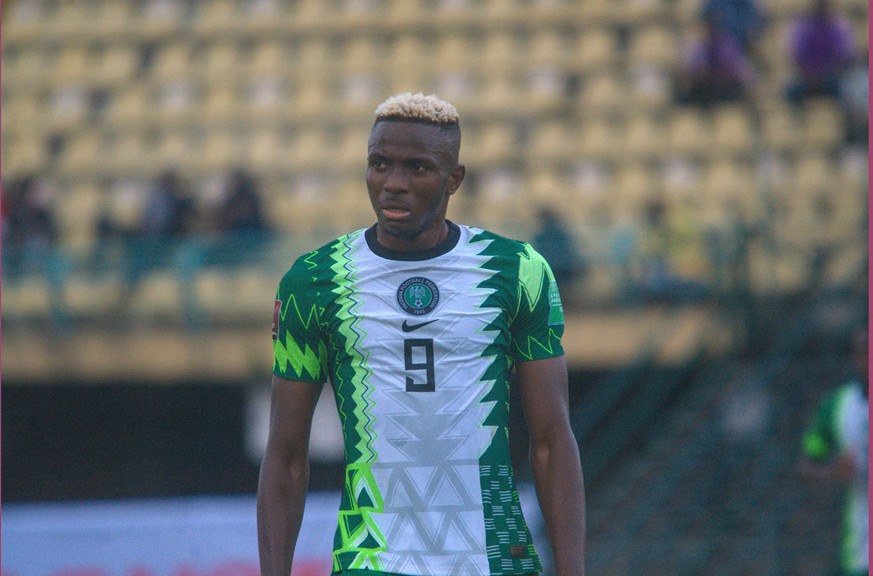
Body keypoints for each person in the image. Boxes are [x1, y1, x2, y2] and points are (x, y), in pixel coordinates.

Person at [257, 93, 586, 576]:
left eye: (417, 168)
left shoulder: (517, 271)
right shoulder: (313, 282)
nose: (393, 184)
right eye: (380, 164)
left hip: (495, 560)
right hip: (371, 561)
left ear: (454, 179)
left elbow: (553, 442)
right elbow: (285, 457)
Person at [800, 325, 868, 576]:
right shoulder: (837, 406)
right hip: (861, 554)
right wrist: (832, 472)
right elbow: (807, 465)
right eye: (864, 349)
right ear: (856, 356)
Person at [674, 13, 756, 107]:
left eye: (714, 27)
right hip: (701, 92)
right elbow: (688, 72)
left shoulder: (727, 46)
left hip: (725, 93)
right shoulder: (697, 47)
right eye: (708, 27)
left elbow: (739, 73)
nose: (711, 31)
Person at [785, 0, 857, 105]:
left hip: (830, 78)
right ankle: (798, 120)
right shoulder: (804, 27)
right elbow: (796, 56)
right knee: (790, 91)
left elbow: (844, 57)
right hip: (807, 78)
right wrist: (810, 74)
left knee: (846, 92)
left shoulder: (838, 27)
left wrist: (825, 74)